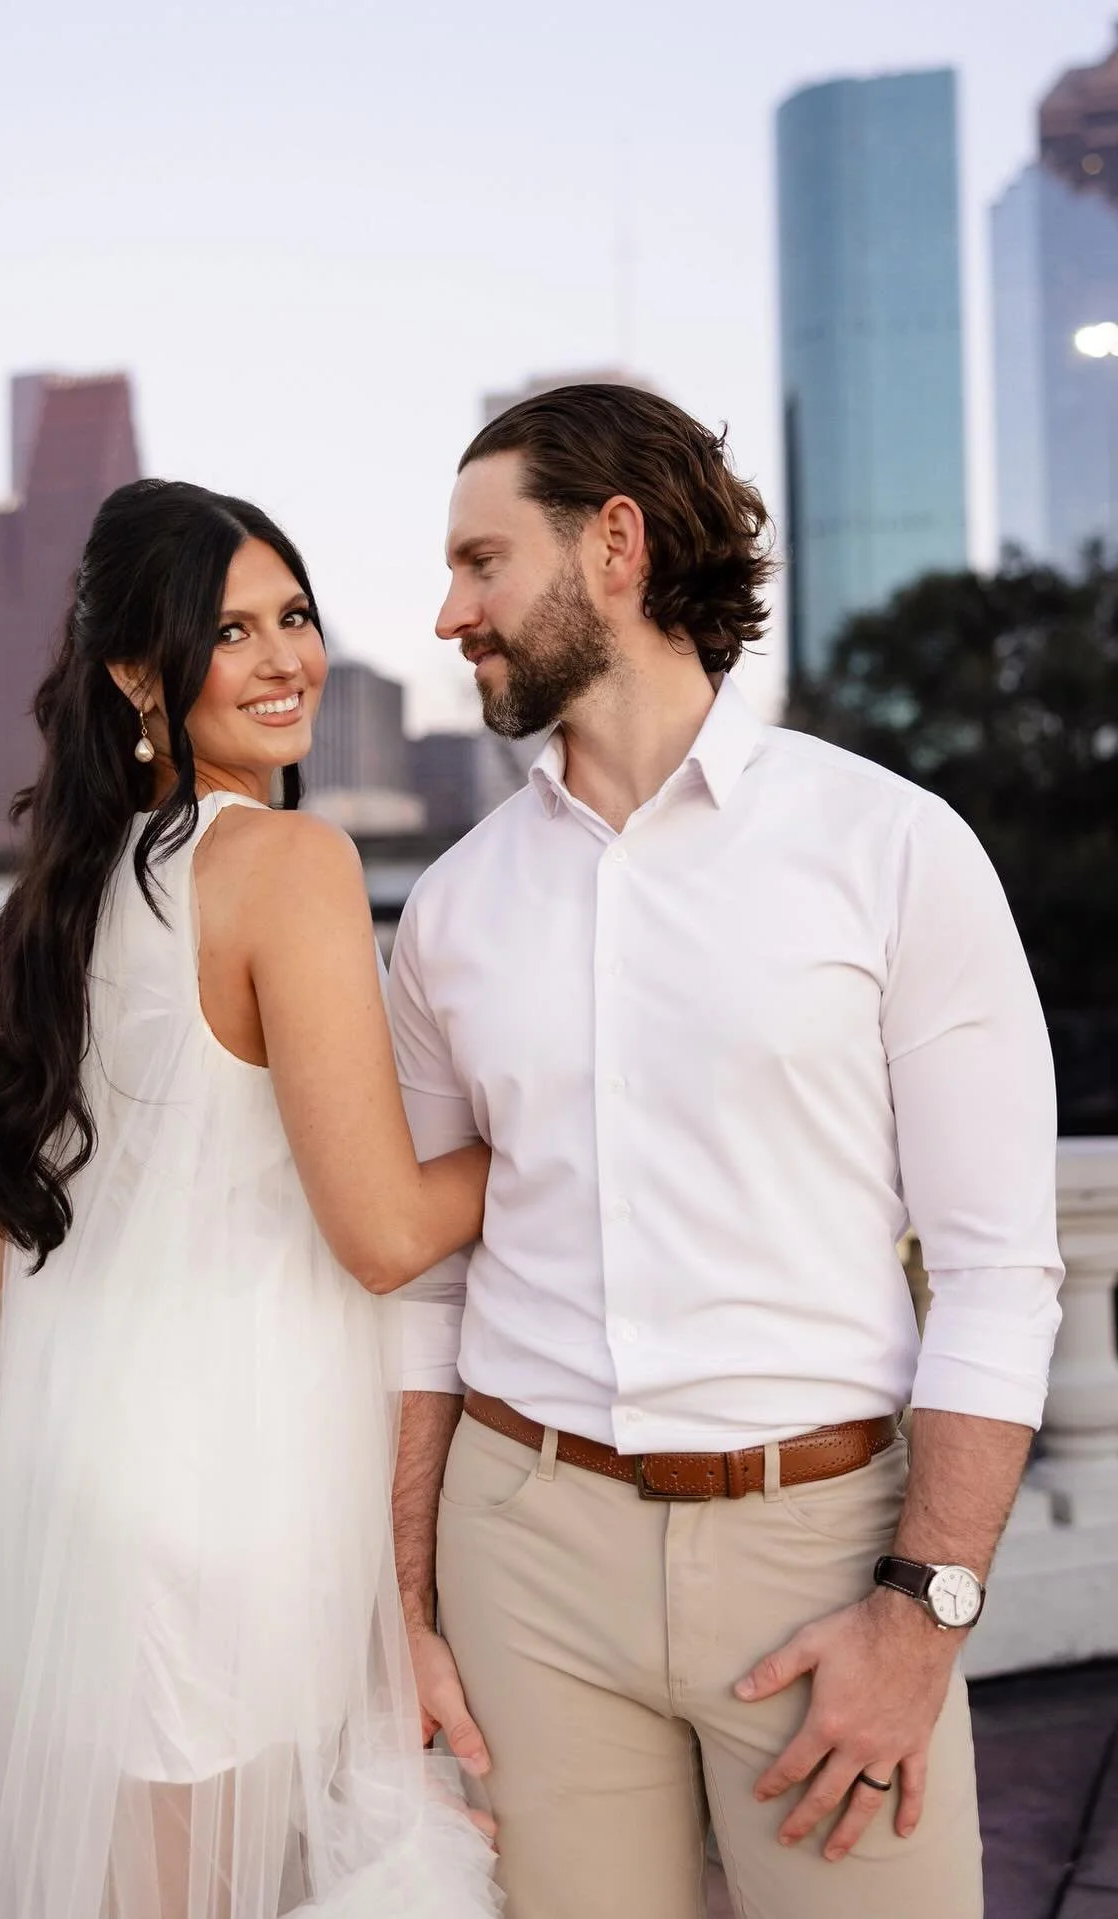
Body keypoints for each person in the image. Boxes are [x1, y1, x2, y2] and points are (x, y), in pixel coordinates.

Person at [0, 480, 501, 1919]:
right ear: (140, 674)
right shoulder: (290, 864)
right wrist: (549, 1133)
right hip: (251, 1480)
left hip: (108, 1489)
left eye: (292, 615)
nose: (282, 657)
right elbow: (381, 1231)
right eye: (229, 630)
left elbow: (8, 1191)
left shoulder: (82, 888)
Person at [388, 384, 1063, 1919]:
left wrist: (924, 1612)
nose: (450, 612)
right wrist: (409, 1609)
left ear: (612, 545)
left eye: (482, 562)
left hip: (826, 1550)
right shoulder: (451, 911)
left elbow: (996, 1274)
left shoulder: (891, 847)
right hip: (526, 1562)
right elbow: (424, 1289)